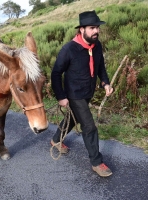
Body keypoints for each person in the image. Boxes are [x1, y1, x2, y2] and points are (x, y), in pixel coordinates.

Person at [50, 10, 113, 177]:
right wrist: (61, 96)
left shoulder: (97, 45)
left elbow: (100, 67)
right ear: (82, 29)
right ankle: (97, 162)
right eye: (92, 28)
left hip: (88, 92)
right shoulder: (69, 49)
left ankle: (56, 140)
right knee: (89, 126)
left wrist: (105, 82)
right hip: (73, 93)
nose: (96, 31)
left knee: (72, 118)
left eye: (97, 28)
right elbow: (56, 73)